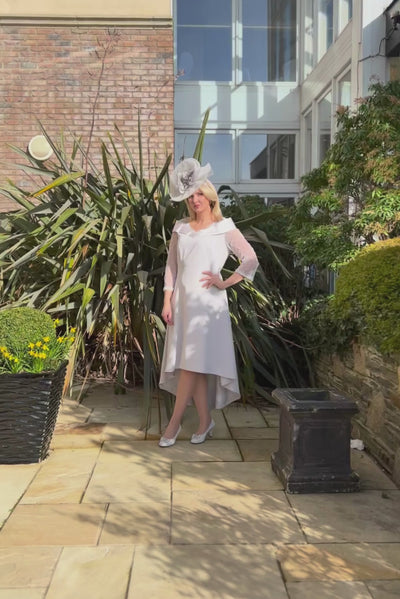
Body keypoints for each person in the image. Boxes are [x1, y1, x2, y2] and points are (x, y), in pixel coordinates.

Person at [158, 158, 259, 447]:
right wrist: (167, 299)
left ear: (210, 196)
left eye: (200, 194)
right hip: (182, 303)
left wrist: (224, 282)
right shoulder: (180, 228)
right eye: (190, 196)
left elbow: (250, 258)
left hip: (208, 307)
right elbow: (172, 268)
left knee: (190, 365)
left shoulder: (224, 227)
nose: (195, 200)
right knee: (195, 364)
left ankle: (174, 423)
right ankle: (205, 422)